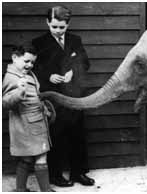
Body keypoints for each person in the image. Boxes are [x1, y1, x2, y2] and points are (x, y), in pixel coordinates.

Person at [32, 5, 95, 187]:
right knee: (56, 136)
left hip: (74, 96)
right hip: (53, 99)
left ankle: (78, 173)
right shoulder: (39, 43)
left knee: (78, 135)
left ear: (68, 24)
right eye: (54, 26)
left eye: (62, 27)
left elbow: (85, 63)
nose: (58, 30)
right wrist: (48, 76)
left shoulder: (76, 40)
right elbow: (32, 69)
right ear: (47, 23)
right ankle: (55, 175)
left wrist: (73, 72)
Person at [2, 43, 55, 192]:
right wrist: (19, 92)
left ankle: (20, 189)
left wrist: (44, 108)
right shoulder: (12, 78)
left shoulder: (28, 74)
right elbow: (4, 103)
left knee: (26, 158)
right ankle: (46, 190)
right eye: (26, 61)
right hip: (27, 124)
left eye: (32, 62)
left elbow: (35, 96)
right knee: (41, 157)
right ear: (14, 58)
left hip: (34, 121)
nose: (30, 65)